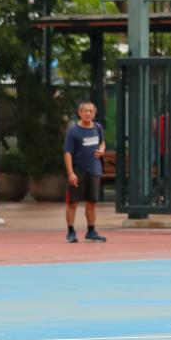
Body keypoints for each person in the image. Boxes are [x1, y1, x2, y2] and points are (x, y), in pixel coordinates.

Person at [63, 101, 107, 243]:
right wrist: (71, 173)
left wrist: (102, 150)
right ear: (80, 113)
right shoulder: (73, 131)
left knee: (92, 203)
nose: (88, 113)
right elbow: (67, 153)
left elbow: (102, 142)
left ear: (94, 114)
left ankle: (91, 231)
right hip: (78, 171)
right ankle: (71, 232)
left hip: (94, 171)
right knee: (73, 203)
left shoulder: (98, 127)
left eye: (91, 111)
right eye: (85, 111)